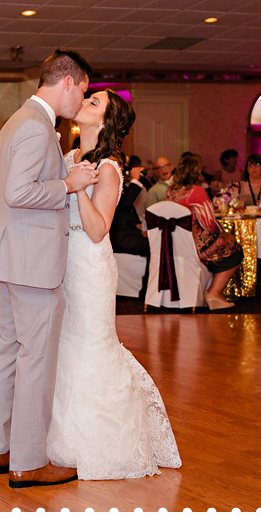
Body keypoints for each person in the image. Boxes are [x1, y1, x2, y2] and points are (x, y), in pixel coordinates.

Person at [46, 88, 182, 480]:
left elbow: (97, 230)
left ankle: (104, 444)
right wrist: (68, 181)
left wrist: (79, 188)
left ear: (106, 122)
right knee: (64, 345)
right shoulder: (69, 158)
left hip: (89, 265)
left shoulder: (107, 168)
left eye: (94, 103)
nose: (84, 103)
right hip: (63, 260)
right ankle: (61, 438)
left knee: (91, 344)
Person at [0, 48, 97, 489]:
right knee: (35, 361)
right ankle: (28, 462)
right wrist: (68, 184)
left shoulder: (17, 121)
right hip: (31, 262)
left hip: (11, 258)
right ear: (67, 82)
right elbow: (18, 192)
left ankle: (0, 449)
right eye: (83, 89)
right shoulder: (35, 127)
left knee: (9, 354)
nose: (81, 100)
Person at [165, 155, 242, 310]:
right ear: (196, 172)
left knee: (226, 244)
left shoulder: (170, 193)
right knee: (236, 250)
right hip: (197, 247)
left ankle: (212, 292)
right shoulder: (197, 191)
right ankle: (214, 292)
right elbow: (209, 224)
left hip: (173, 244)